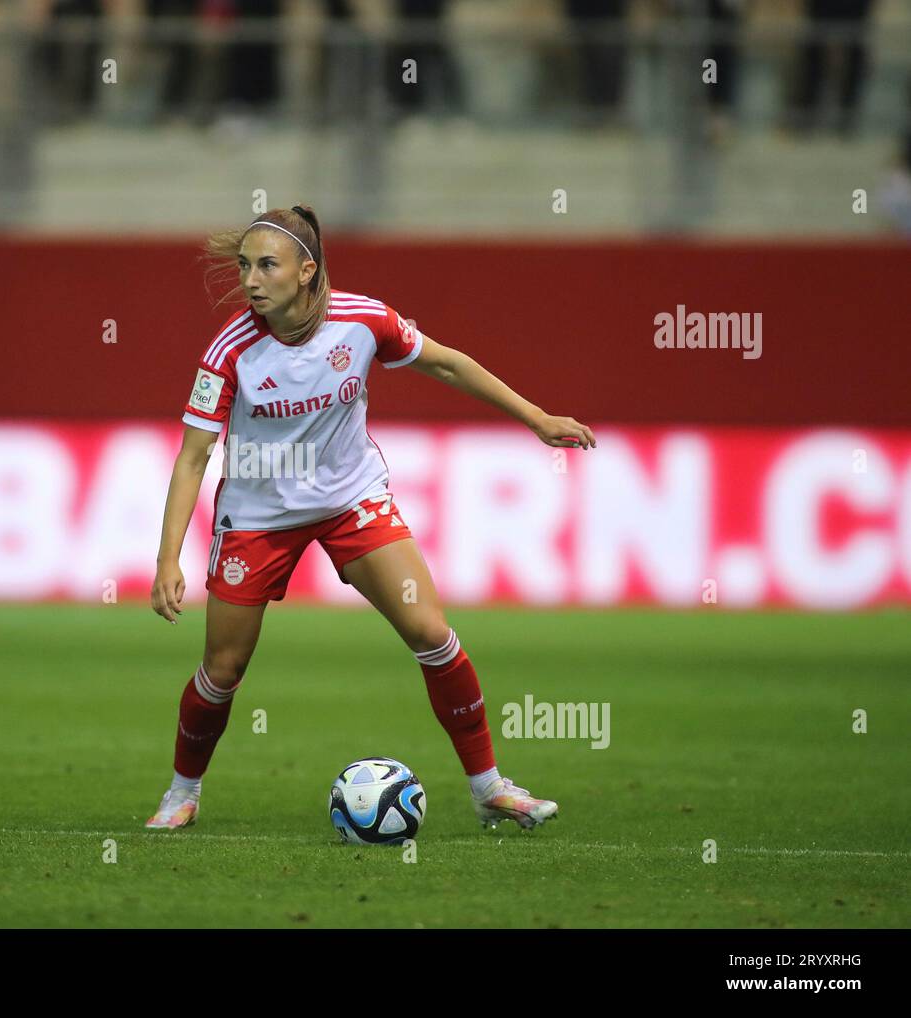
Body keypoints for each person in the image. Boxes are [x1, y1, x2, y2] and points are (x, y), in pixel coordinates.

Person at [146, 204, 596, 833]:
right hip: (258, 516)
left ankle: (489, 786)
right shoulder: (230, 351)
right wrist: (169, 557)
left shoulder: (363, 320)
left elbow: (445, 362)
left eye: (266, 265)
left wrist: (538, 419)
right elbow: (194, 457)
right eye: (245, 265)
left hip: (351, 500)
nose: (250, 279)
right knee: (223, 669)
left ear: (307, 270)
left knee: (432, 634)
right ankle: (182, 793)